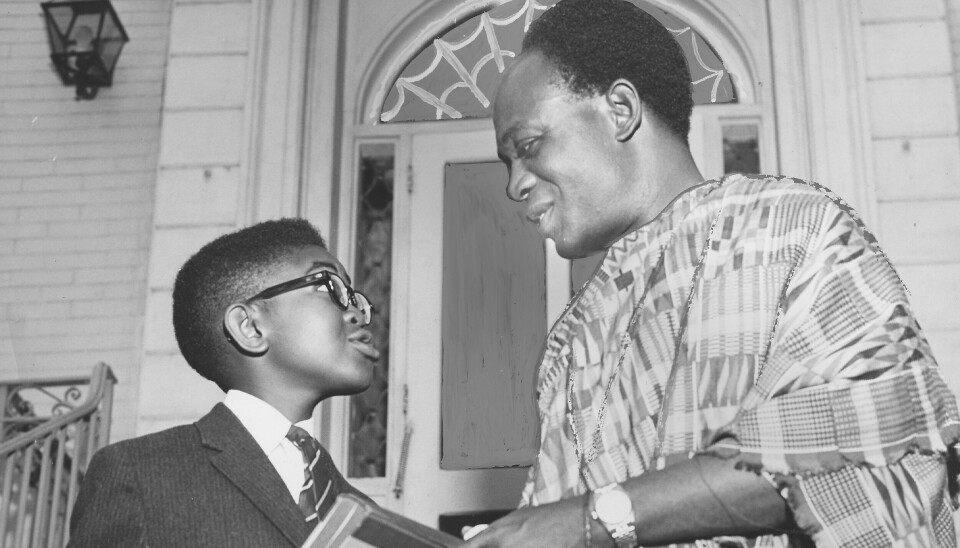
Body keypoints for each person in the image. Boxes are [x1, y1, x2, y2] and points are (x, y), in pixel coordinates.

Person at [466, 0, 960, 546]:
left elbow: (876, 450)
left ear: (621, 110)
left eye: (528, 146)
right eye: (506, 164)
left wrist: (591, 520)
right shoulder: (567, 346)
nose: (514, 185)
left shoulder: (793, 230)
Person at [68, 218, 379, 548]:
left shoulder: (364, 513)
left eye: (355, 298)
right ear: (249, 327)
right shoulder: (141, 473)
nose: (357, 312)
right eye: (329, 287)